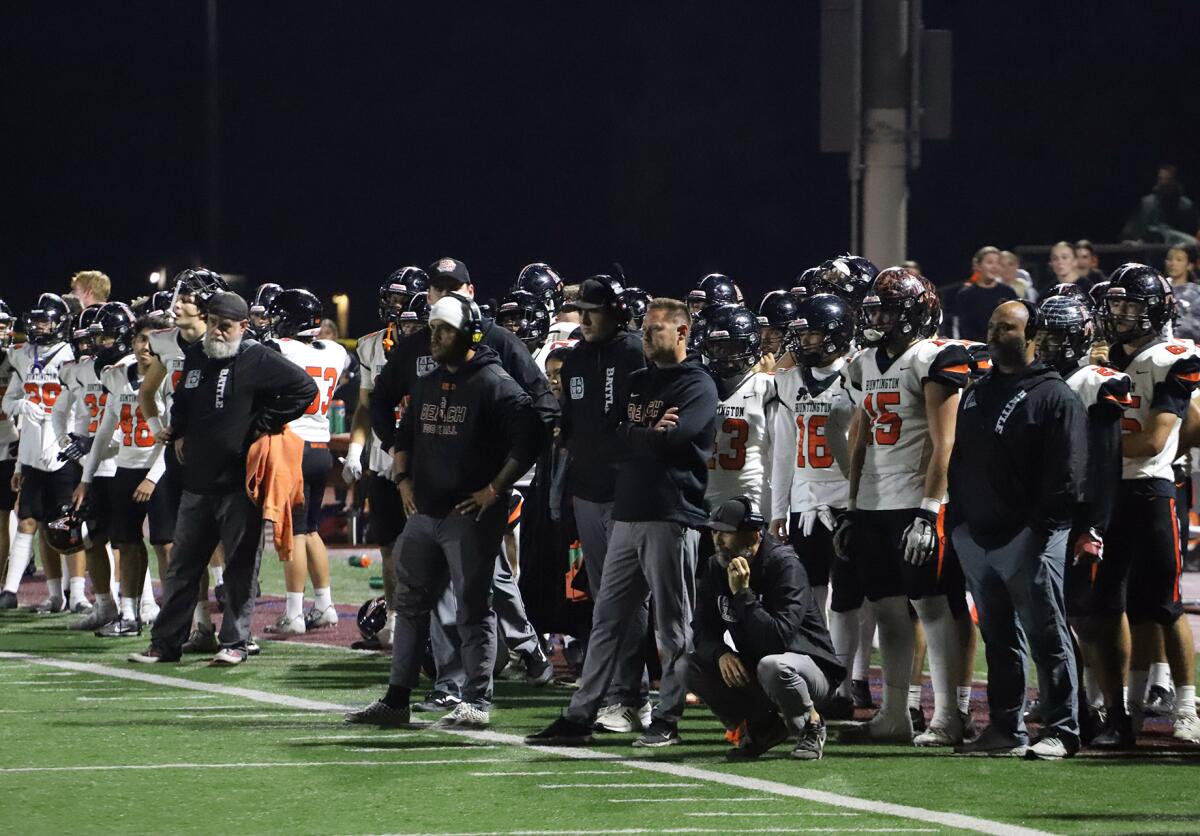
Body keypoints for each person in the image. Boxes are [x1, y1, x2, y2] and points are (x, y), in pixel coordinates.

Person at [344, 293, 546, 728]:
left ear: (469, 333)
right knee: (411, 605)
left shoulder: (494, 382)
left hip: (468, 515)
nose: (434, 337)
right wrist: (402, 478)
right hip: (424, 512)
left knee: (473, 607)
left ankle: (478, 699)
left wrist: (495, 489)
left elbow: (532, 436)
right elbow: (405, 431)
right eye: (433, 328)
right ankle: (397, 699)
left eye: (444, 330)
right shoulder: (430, 378)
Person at [527, 297, 718, 748]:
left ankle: (667, 716)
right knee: (606, 619)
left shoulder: (698, 384)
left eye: (656, 330)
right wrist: (648, 436)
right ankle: (580, 714)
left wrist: (643, 438)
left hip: (670, 515)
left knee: (672, 626)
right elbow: (610, 438)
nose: (647, 338)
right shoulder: (637, 382)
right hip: (629, 512)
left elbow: (678, 440)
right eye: (646, 330)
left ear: (682, 333)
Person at [127, 291, 317, 665]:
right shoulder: (198, 354)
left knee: (240, 567)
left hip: (238, 484)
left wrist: (261, 425)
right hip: (197, 481)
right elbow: (185, 400)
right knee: (182, 568)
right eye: (212, 322)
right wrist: (178, 430)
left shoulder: (257, 356)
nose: (216, 330)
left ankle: (236, 642)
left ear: (243, 327)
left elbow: (305, 389)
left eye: (224, 325)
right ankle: (165, 644)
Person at [834, 268, 974, 746]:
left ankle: (949, 716)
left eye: (887, 309)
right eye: (874, 309)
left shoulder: (935, 358)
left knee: (931, 608)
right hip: (873, 501)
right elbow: (860, 440)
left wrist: (930, 508)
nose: (877, 318)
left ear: (913, 313)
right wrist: (851, 505)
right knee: (888, 610)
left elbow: (945, 441)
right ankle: (895, 713)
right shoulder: (863, 364)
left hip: (915, 501)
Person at [947, 300, 1086, 760]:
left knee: (1047, 634)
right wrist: (961, 522)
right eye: (992, 324)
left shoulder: (1055, 395)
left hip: (1027, 536)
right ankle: (1006, 726)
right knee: (999, 638)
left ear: (1032, 337)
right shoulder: (978, 390)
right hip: (978, 533)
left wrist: (1039, 529)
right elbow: (960, 457)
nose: (993, 332)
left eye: (1005, 326)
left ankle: (1063, 728)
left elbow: (1066, 474)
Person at [1091, 264, 1200, 746]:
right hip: (1105, 493)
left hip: (1150, 489)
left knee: (1164, 605)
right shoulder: (1104, 355)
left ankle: (1187, 706)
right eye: (1115, 305)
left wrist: (1089, 451)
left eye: (1131, 306)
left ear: (1156, 311)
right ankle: (1126, 710)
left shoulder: (1171, 356)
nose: (1120, 314)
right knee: (1111, 606)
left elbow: (1156, 439)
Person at [1034, 293, 1129, 744]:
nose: (1049, 344)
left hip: (1087, 514)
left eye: (1059, 335)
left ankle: (1117, 714)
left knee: (1094, 620)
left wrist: (1095, 526)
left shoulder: (1097, 381)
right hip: (1051, 511)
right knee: (1058, 617)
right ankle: (1079, 710)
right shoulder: (1039, 379)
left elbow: (1107, 460)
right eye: (1044, 334)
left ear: (1081, 336)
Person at [556, 275, 649, 733]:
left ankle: (630, 697)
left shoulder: (635, 353)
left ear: (616, 311)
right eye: (582, 309)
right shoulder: (574, 361)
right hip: (588, 493)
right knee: (606, 599)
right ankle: (621, 692)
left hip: (628, 494)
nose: (585, 317)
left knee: (628, 598)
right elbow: (571, 430)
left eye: (594, 309)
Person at [689, 496, 845, 761]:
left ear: (753, 533)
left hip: (809, 671)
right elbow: (701, 629)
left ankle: (811, 724)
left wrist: (743, 594)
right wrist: (720, 653)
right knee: (688, 666)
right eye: (714, 531)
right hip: (762, 667)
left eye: (725, 533)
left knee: (774, 665)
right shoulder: (716, 567)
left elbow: (776, 639)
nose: (717, 539)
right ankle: (765, 729)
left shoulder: (784, 565)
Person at [770, 293, 862, 716]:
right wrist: (778, 509)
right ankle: (821, 678)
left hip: (846, 501)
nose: (803, 342)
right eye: (802, 333)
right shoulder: (789, 382)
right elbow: (784, 451)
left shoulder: (857, 373)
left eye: (811, 333)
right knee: (809, 597)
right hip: (805, 504)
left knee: (846, 599)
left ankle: (843, 686)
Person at [342, 266, 428, 650]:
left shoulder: (435, 342)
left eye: (402, 299)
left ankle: (434, 625)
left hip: (424, 462)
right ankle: (395, 622)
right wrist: (355, 450)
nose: (395, 306)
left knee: (430, 547)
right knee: (389, 547)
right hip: (382, 459)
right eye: (391, 299)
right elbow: (364, 406)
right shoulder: (370, 344)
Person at [76, 310, 173, 637]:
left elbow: (172, 436)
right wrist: (86, 479)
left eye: (150, 339)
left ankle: (177, 615)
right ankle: (129, 615)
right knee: (128, 543)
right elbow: (105, 430)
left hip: (160, 471)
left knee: (166, 545)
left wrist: (152, 477)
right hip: (126, 468)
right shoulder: (117, 376)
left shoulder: (171, 377)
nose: (144, 346)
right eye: (139, 338)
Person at [262, 289, 353, 636]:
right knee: (311, 528)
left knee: (294, 532)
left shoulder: (280, 349)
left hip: (292, 447)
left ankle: (294, 613)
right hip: (320, 445)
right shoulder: (335, 351)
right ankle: (325, 604)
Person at [0, 293, 80, 611]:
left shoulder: (72, 355)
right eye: (35, 320)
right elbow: (9, 400)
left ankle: (77, 593)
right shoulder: (23, 355)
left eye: (44, 319)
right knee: (29, 521)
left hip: (64, 450)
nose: (38, 326)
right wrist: (24, 405)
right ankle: (13, 590)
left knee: (66, 524)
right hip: (32, 452)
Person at [1122, 164, 1200, 247]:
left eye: (1168, 179)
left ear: (1175, 181)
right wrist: (1136, 241)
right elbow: (1134, 231)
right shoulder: (1147, 203)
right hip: (1150, 252)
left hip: (1178, 252)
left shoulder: (1186, 206)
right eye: (1161, 179)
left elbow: (1192, 236)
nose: (1164, 182)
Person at [952, 246, 1018, 341]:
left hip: (1003, 350)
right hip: (975, 351)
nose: (994, 267)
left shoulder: (1008, 292)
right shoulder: (965, 295)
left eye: (998, 263)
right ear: (978, 266)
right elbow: (961, 328)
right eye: (990, 262)